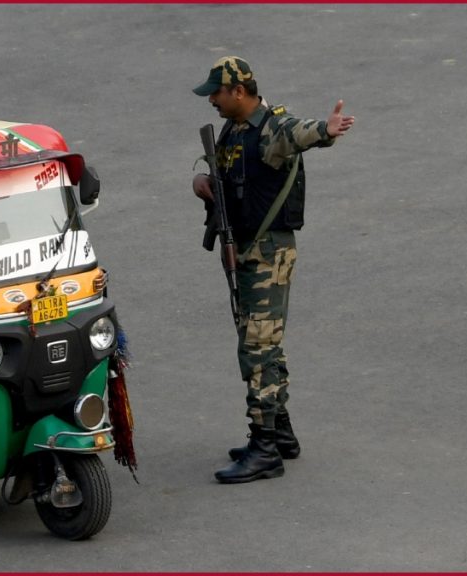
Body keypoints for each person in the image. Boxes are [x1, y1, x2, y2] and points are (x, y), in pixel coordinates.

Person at [190, 56, 355, 484]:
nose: (211, 100)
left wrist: (326, 129)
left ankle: (264, 449)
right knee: (264, 342)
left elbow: (298, 133)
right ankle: (280, 433)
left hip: (267, 254)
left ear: (239, 92)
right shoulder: (234, 130)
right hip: (249, 250)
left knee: (257, 348)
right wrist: (202, 185)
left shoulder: (271, 129)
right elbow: (229, 178)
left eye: (217, 93)